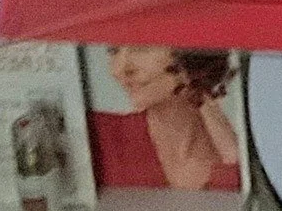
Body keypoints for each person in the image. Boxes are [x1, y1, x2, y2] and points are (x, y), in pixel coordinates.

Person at [92, 46, 243, 192]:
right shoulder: (96, 136)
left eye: (142, 47)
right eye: (113, 50)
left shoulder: (239, 151)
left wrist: (207, 102)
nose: (119, 70)